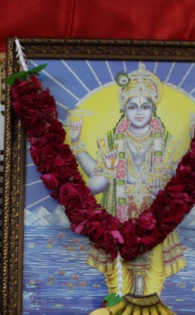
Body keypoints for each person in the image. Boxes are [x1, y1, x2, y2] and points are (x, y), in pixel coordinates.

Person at [66, 64, 185, 297]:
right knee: (117, 283)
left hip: (155, 220)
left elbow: (181, 182)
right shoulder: (111, 141)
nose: (139, 112)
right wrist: (77, 143)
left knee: (153, 283)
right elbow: (96, 186)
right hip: (117, 219)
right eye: (132, 106)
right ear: (124, 109)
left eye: (145, 106)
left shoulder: (168, 142)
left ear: (153, 109)